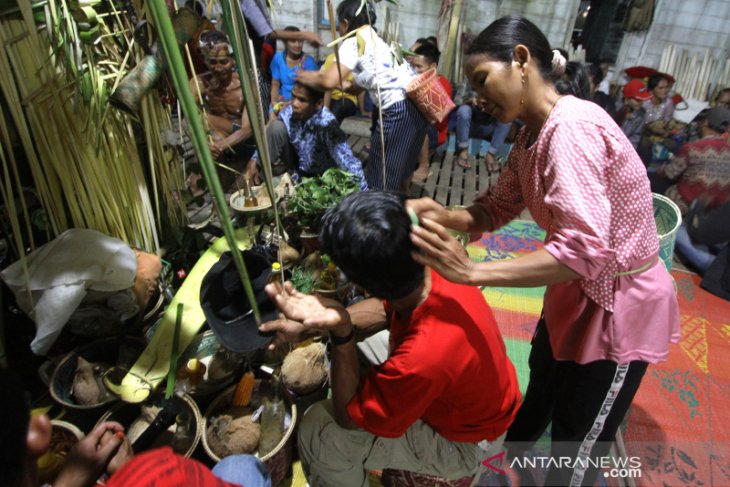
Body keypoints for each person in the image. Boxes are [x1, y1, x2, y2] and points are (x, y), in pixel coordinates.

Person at [407, 16, 679, 486]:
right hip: (573, 292)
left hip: (616, 305)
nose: (477, 97)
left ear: (521, 61)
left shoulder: (571, 130)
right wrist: (448, 215)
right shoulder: (533, 132)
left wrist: (472, 272)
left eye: (482, 80)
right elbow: (499, 205)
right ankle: (511, 464)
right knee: (544, 382)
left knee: (579, 436)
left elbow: (583, 253)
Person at [260, 191, 521, 486]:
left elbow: (348, 418)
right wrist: (310, 327)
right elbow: (383, 310)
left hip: (467, 443)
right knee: (357, 349)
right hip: (474, 394)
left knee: (321, 428)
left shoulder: (421, 356)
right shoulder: (435, 265)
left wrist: (341, 330)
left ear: (359, 285)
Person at [0, 369, 271, 487]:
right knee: (242, 467)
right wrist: (129, 472)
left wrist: (69, 481)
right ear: (38, 433)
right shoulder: (158, 475)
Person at [296, 0, 427, 192]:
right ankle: (401, 209)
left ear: (345, 24)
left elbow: (328, 83)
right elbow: (355, 87)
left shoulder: (354, 39)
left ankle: (378, 216)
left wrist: (306, 76)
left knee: (381, 176)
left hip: (398, 111)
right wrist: (339, 82)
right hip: (416, 107)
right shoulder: (377, 41)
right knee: (403, 171)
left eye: (340, 24)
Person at [244, 82, 367, 189]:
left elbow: (350, 163)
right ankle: (258, 185)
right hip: (299, 167)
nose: (294, 104)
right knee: (275, 127)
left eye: (302, 100)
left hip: (324, 176)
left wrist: (363, 198)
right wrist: (255, 159)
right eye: (293, 96)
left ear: (318, 104)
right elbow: (271, 135)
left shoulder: (326, 125)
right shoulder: (289, 112)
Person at [651, 107, 730, 215]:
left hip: (688, 205)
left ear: (705, 122)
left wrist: (660, 170)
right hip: (716, 211)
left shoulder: (693, 148)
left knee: (653, 179)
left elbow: (670, 174)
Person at [409, 43, 452, 183]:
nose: (416, 71)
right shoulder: (414, 80)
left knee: (420, 123)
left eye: (419, 67)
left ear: (432, 67)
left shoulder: (442, 84)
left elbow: (434, 119)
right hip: (420, 129)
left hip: (434, 133)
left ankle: (424, 167)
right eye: (414, 66)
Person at [451, 78, 512, 172]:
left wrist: (491, 106)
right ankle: (463, 151)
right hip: (470, 125)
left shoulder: (501, 81)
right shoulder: (470, 78)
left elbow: (509, 106)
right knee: (464, 110)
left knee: (507, 118)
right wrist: (471, 101)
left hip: (489, 126)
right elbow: (457, 101)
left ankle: (491, 155)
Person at [269, 26, 319, 114]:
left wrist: (290, 104)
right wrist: (274, 103)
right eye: (293, 41)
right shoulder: (278, 58)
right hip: (281, 100)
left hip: (300, 102)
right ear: (285, 42)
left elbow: (313, 90)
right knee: (272, 121)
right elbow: (275, 84)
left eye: (300, 41)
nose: (297, 45)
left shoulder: (308, 62)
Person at [321, 52, 359, 123]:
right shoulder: (332, 58)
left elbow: (357, 87)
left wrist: (363, 110)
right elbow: (327, 86)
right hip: (331, 97)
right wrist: (325, 108)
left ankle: (328, 132)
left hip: (349, 99)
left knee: (338, 108)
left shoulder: (357, 61)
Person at [616, 79, 652, 151]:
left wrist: (629, 151)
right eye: (637, 100)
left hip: (625, 149)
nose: (640, 103)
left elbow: (636, 136)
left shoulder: (641, 115)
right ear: (626, 99)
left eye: (642, 100)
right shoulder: (614, 109)